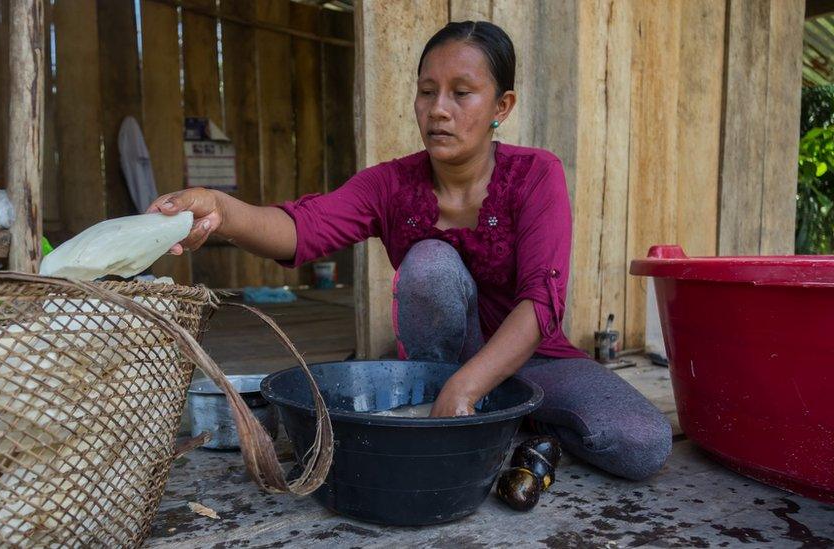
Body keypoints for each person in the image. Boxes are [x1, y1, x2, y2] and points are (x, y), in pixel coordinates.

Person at [149, 21, 671, 480]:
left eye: (461, 92)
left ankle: (504, 418)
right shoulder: (391, 185)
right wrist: (220, 208)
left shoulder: (536, 175)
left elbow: (541, 304)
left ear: (501, 106)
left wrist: (469, 387)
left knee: (641, 444)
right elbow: (300, 228)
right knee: (429, 264)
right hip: (438, 368)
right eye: (427, 92)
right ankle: (450, 418)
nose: (438, 110)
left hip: (532, 360)